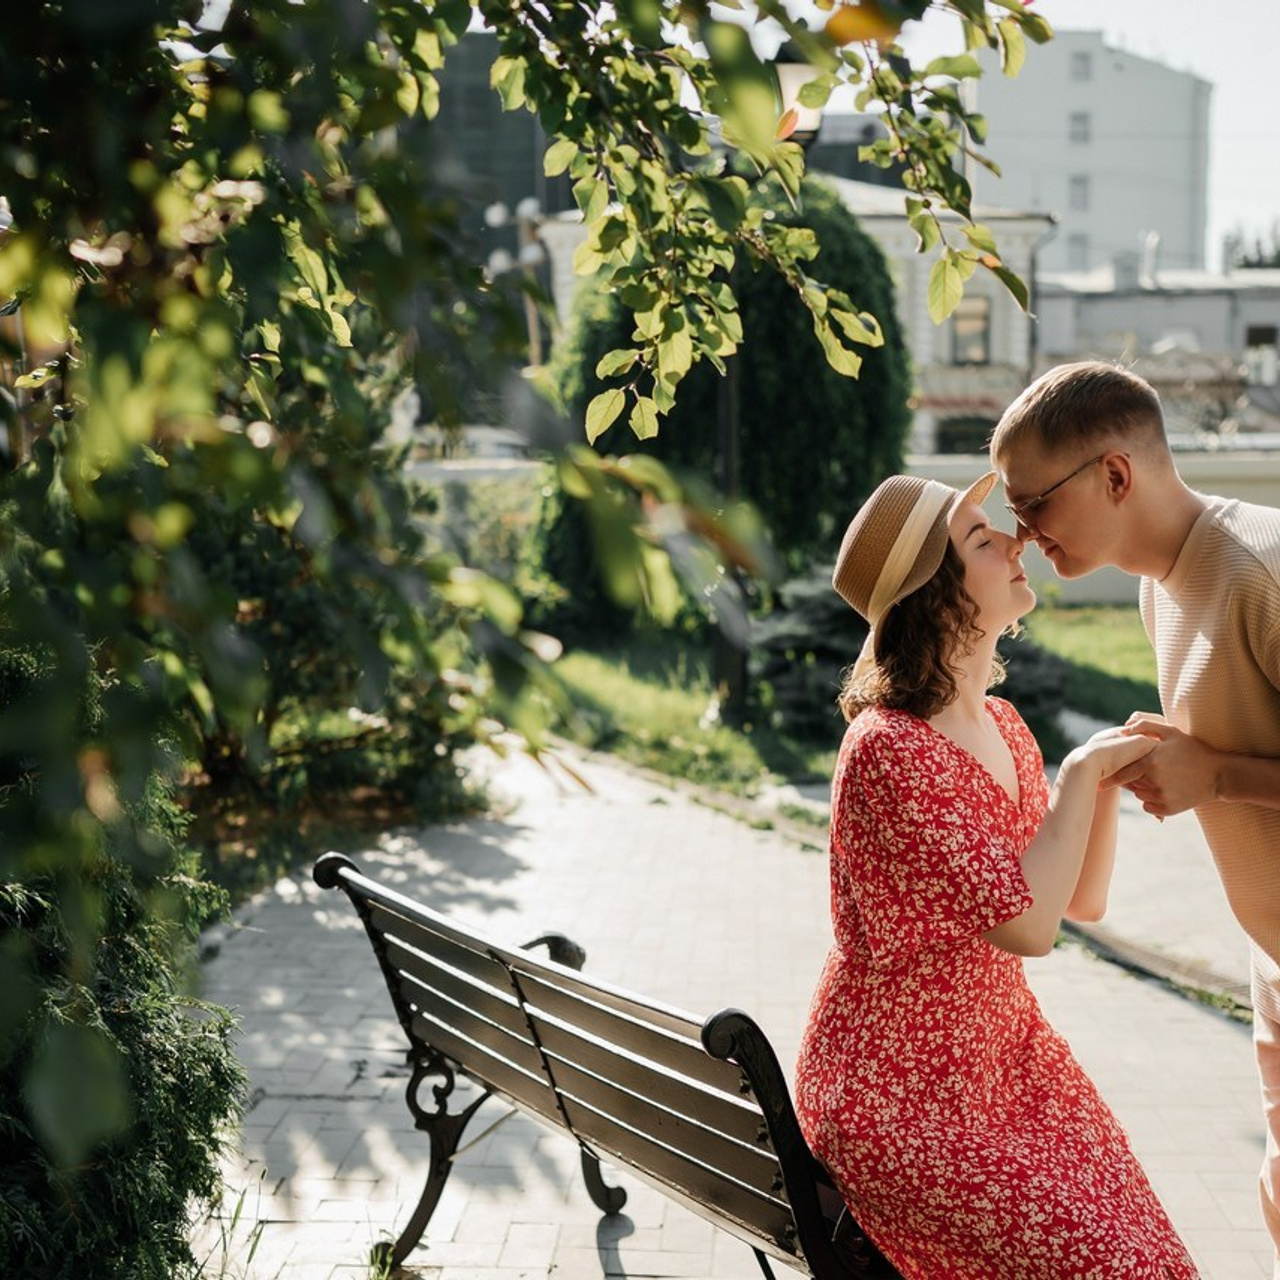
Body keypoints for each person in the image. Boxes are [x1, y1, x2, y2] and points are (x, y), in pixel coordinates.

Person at [792, 471, 1196, 1279]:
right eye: (982, 539)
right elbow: (1028, 928)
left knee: (1152, 1256)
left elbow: (1078, 899)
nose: (1016, 542)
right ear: (933, 594)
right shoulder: (888, 749)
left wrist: (1105, 786)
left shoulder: (1004, 725)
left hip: (1005, 1066)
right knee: (1101, 1263)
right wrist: (1080, 776)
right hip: (898, 1100)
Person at [990, 359, 1280, 1274]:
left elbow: (1225, 772)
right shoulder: (1161, 588)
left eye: (1034, 505)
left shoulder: (1262, 571)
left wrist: (1219, 776)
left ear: (1115, 475)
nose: (1025, 538)